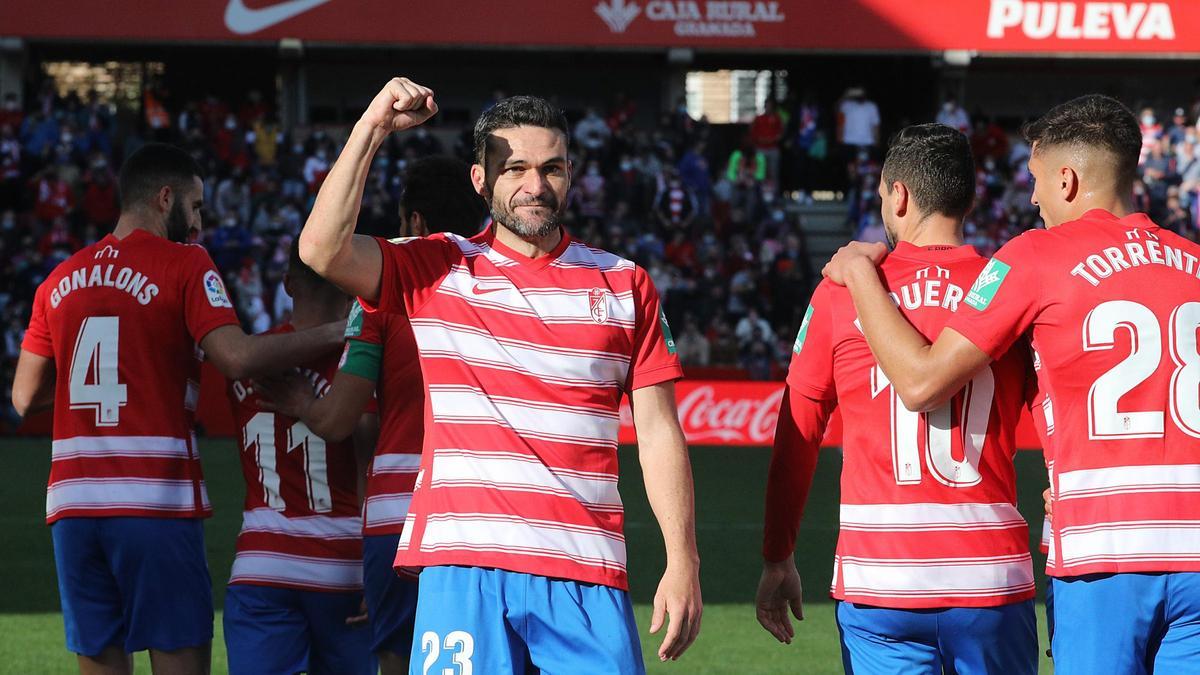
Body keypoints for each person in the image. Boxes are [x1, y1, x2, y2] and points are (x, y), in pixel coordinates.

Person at [297, 77, 702, 673]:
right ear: (481, 180)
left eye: (552, 168)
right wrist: (373, 127)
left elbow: (661, 431)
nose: (535, 186)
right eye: (514, 168)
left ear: (571, 172)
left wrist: (682, 558)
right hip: (464, 570)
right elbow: (321, 249)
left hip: (585, 571)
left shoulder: (624, 283)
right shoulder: (437, 266)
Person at [822, 94, 1200, 674]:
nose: (1032, 197)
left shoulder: (1034, 256)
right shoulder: (1193, 261)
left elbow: (922, 383)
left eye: (1037, 178)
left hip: (1105, 552)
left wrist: (857, 274)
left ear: (1067, 180)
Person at [11, 142, 344, 675]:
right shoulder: (185, 263)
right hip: (153, 497)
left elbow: (24, 397)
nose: (199, 225)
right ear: (165, 198)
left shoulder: (58, 280)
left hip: (72, 504)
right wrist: (341, 332)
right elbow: (235, 359)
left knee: (99, 658)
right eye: (196, 208)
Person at [756, 124, 1037, 674]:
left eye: (883, 194)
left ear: (900, 195)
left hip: (880, 576)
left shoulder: (841, 288)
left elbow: (797, 434)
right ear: (969, 196)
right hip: (990, 574)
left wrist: (777, 554)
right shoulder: (1012, 287)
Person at [256, 155, 488, 675]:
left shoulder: (383, 291)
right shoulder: (505, 284)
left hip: (398, 517)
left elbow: (340, 419)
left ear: (416, 224)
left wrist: (301, 403)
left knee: (396, 661)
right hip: (480, 509)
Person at [221, 241, 371, 675]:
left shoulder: (249, 359)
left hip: (261, 563)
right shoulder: (360, 360)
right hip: (343, 565)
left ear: (287, 285)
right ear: (349, 290)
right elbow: (370, 460)